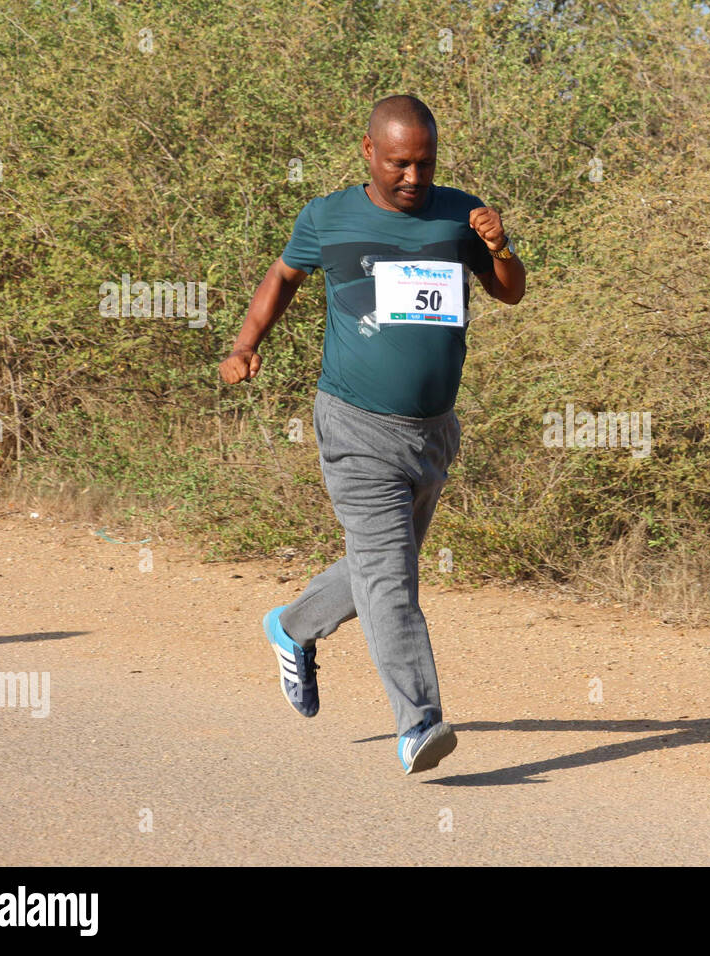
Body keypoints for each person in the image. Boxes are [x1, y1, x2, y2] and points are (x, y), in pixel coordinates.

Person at [219, 94, 527, 774]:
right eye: (399, 164)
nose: (414, 178)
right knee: (393, 583)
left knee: (384, 567)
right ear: (368, 152)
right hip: (356, 426)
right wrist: (244, 344)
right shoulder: (329, 217)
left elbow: (510, 291)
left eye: (424, 163)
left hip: (434, 433)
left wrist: (501, 248)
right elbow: (283, 275)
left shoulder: (460, 213)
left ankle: (294, 625)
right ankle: (419, 722)